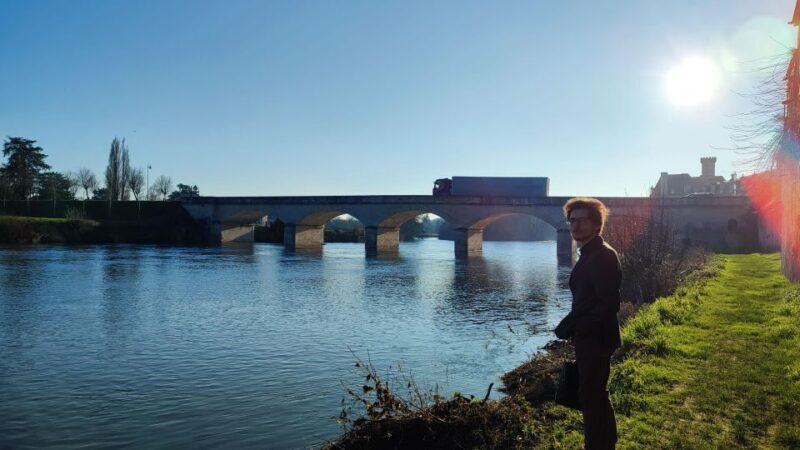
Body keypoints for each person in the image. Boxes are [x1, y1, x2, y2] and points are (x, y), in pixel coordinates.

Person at [556, 197, 622, 450]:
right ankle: (604, 442)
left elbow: (609, 303)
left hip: (596, 338)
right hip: (591, 337)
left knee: (591, 395)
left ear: (597, 225)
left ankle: (597, 445)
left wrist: (583, 327)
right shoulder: (590, 253)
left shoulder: (602, 255)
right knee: (594, 393)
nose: (575, 225)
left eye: (582, 220)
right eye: (572, 220)